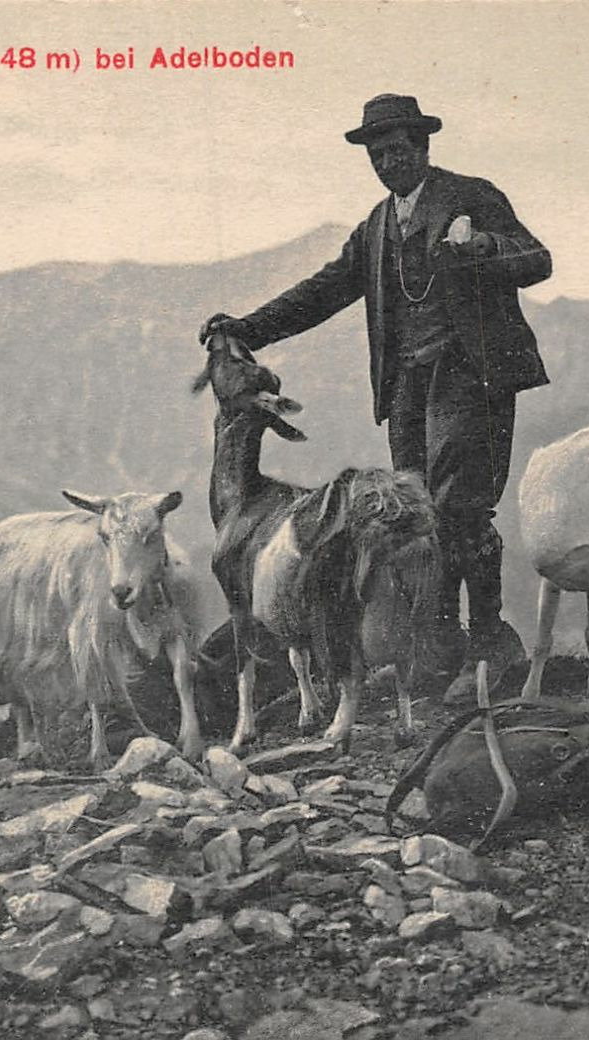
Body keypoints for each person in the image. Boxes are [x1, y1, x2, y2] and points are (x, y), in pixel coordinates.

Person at [200, 93, 553, 700]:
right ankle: (436, 646)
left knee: (461, 508)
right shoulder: (377, 228)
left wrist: (482, 250)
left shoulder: (472, 196)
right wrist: (249, 328)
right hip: (410, 387)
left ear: (422, 147)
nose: (388, 163)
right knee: (415, 520)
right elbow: (324, 291)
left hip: (472, 378)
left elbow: (536, 259)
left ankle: (489, 641)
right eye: (377, 155)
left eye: (397, 150)